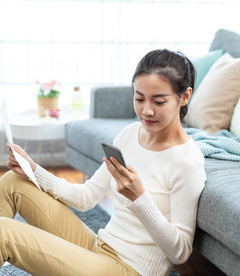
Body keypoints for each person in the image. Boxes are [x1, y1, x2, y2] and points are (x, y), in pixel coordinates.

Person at [0, 49, 206, 276]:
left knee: (3, 233)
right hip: (100, 248)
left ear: (184, 96)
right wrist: (33, 170)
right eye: (139, 98)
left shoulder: (187, 161)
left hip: (128, 270)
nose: (146, 110)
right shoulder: (130, 134)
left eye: (158, 101)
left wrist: (139, 199)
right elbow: (85, 197)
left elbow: (181, 253)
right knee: (13, 183)